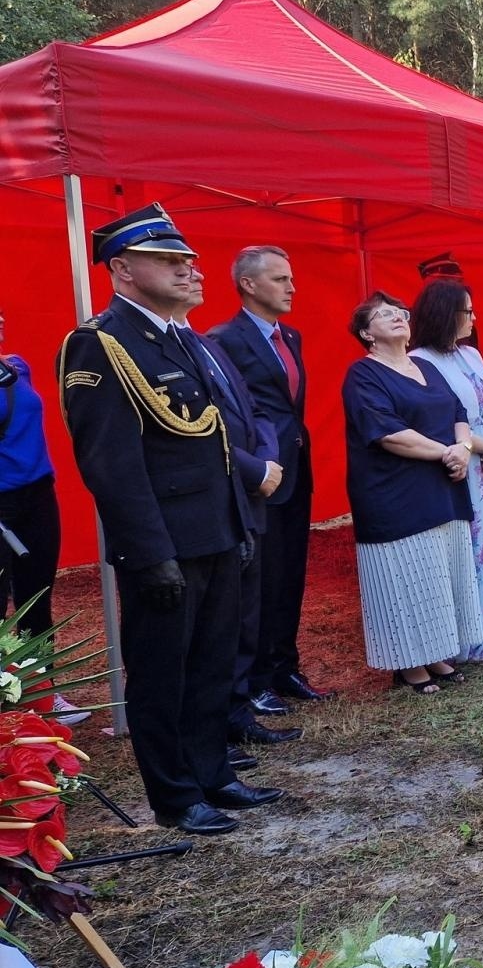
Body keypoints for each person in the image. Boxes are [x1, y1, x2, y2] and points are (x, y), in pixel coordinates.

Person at [59, 203, 277, 835]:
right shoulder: (100, 344)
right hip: (164, 541)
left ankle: (214, 773)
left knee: (211, 663)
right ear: (122, 269)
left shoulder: (182, 337)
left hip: (214, 528)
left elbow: (215, 445)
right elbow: (111, 464)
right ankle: (176, 795)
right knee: (162, 672)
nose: (188, 270)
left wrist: (237, 523)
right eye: (168, 260)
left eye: (188, 260)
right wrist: (148, 552)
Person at [209, 245, 328, 740]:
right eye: (280, 279)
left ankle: (284, 666)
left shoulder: (290, 335)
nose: (292, 287)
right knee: (262, 577)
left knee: (291, 572)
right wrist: (261, 463)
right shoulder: (223, 339)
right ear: (249, 285)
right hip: (262, 473)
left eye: (291, 277)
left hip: (296, 465)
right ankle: (256, 677)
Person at [342, 292, 483, 688]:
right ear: (366, 333)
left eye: (400, 313)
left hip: (442, 487)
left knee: (440, 572)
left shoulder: (424, 366)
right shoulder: (363, 374)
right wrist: (449, 454)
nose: (398, 318)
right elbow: (387, 433)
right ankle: (410, 664)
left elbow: (459, 412)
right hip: (394, 494)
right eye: (384, 315)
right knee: (406, 577)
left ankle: (438, 654)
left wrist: (463, 447)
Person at [410, 275, 483, 659]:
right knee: (469, 546)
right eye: (468, 311)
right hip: (461, 462)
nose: (474, 318)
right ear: (447, 314)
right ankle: (468, 634)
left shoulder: (470, 354)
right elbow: (443, 419)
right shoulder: (420, 362)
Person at [0, 308, 84, 725]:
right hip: (1, 504)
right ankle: (6, 701)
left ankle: (45, 691)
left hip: (38, 496)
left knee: (36, 595)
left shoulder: (18, 367)